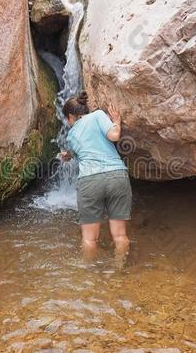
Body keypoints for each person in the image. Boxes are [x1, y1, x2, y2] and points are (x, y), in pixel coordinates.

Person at [60, 91, 132, 264]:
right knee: (120, 235)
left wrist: (67, 156)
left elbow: (82, 152)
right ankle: (119, 270)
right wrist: (116, 121)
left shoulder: (71, 136)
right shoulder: (98, 115)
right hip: (116, 176)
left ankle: (89, 278)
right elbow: (114, 135)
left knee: (89, 238)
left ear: (70, 116)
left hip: (90, 182)